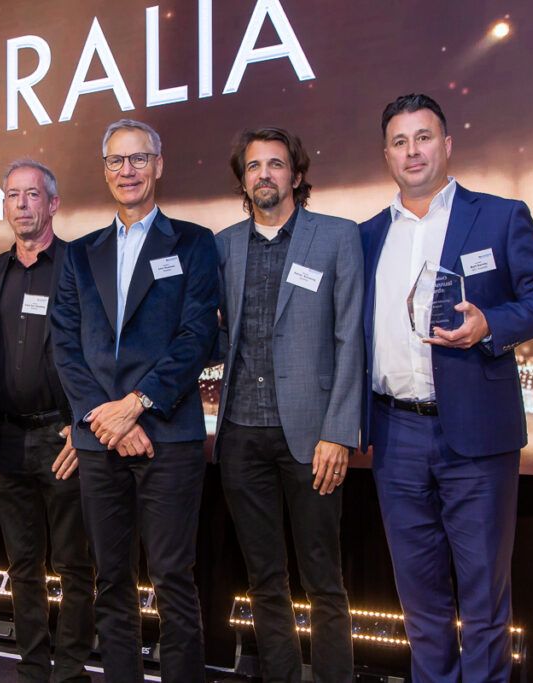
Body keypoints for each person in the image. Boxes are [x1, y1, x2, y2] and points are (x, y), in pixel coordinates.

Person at [360, 94, 533, 683]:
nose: (413, 151)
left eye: (424, 137)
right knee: (421, 604)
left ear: (447, 145)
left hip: (478, 437)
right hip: (394, 433)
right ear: (386, 155)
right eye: (400, 142)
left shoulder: (500, 216)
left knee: (482, 602)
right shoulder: (367, 237)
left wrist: (492, 325)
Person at [49, 119, 219, 683]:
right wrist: (109, 419)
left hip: (168, 434)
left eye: (139, 159)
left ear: (159, 166)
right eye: (117, 161)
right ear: (104, 171)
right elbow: (66, 345)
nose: (128, 170)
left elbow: (198, 336)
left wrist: (139, 404)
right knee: (111, 579)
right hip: (100, 441)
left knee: (172, 576)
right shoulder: (79, 255)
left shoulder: (193, 243)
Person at [215, 127, 362, 683]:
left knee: (323, 580)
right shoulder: (223, 245)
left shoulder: (335, 237)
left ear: (296, 176)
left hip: (313, 438)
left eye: (275, 165)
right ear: (243, 181)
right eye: (254, 167)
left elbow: (351, 338)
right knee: (264, 580)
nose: (264, 176)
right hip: (241, 434)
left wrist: (339, 431)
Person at [0, 159, 95, 682]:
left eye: (33, 195)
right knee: (22, 565)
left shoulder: (81, 267)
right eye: (13, 196)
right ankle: (33, 668)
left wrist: (83, 427)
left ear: (53, 204)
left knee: (74, 565)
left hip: (63, 438)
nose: (22, 205)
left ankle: (70, 670)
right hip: (6, 442)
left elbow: (98, 357)